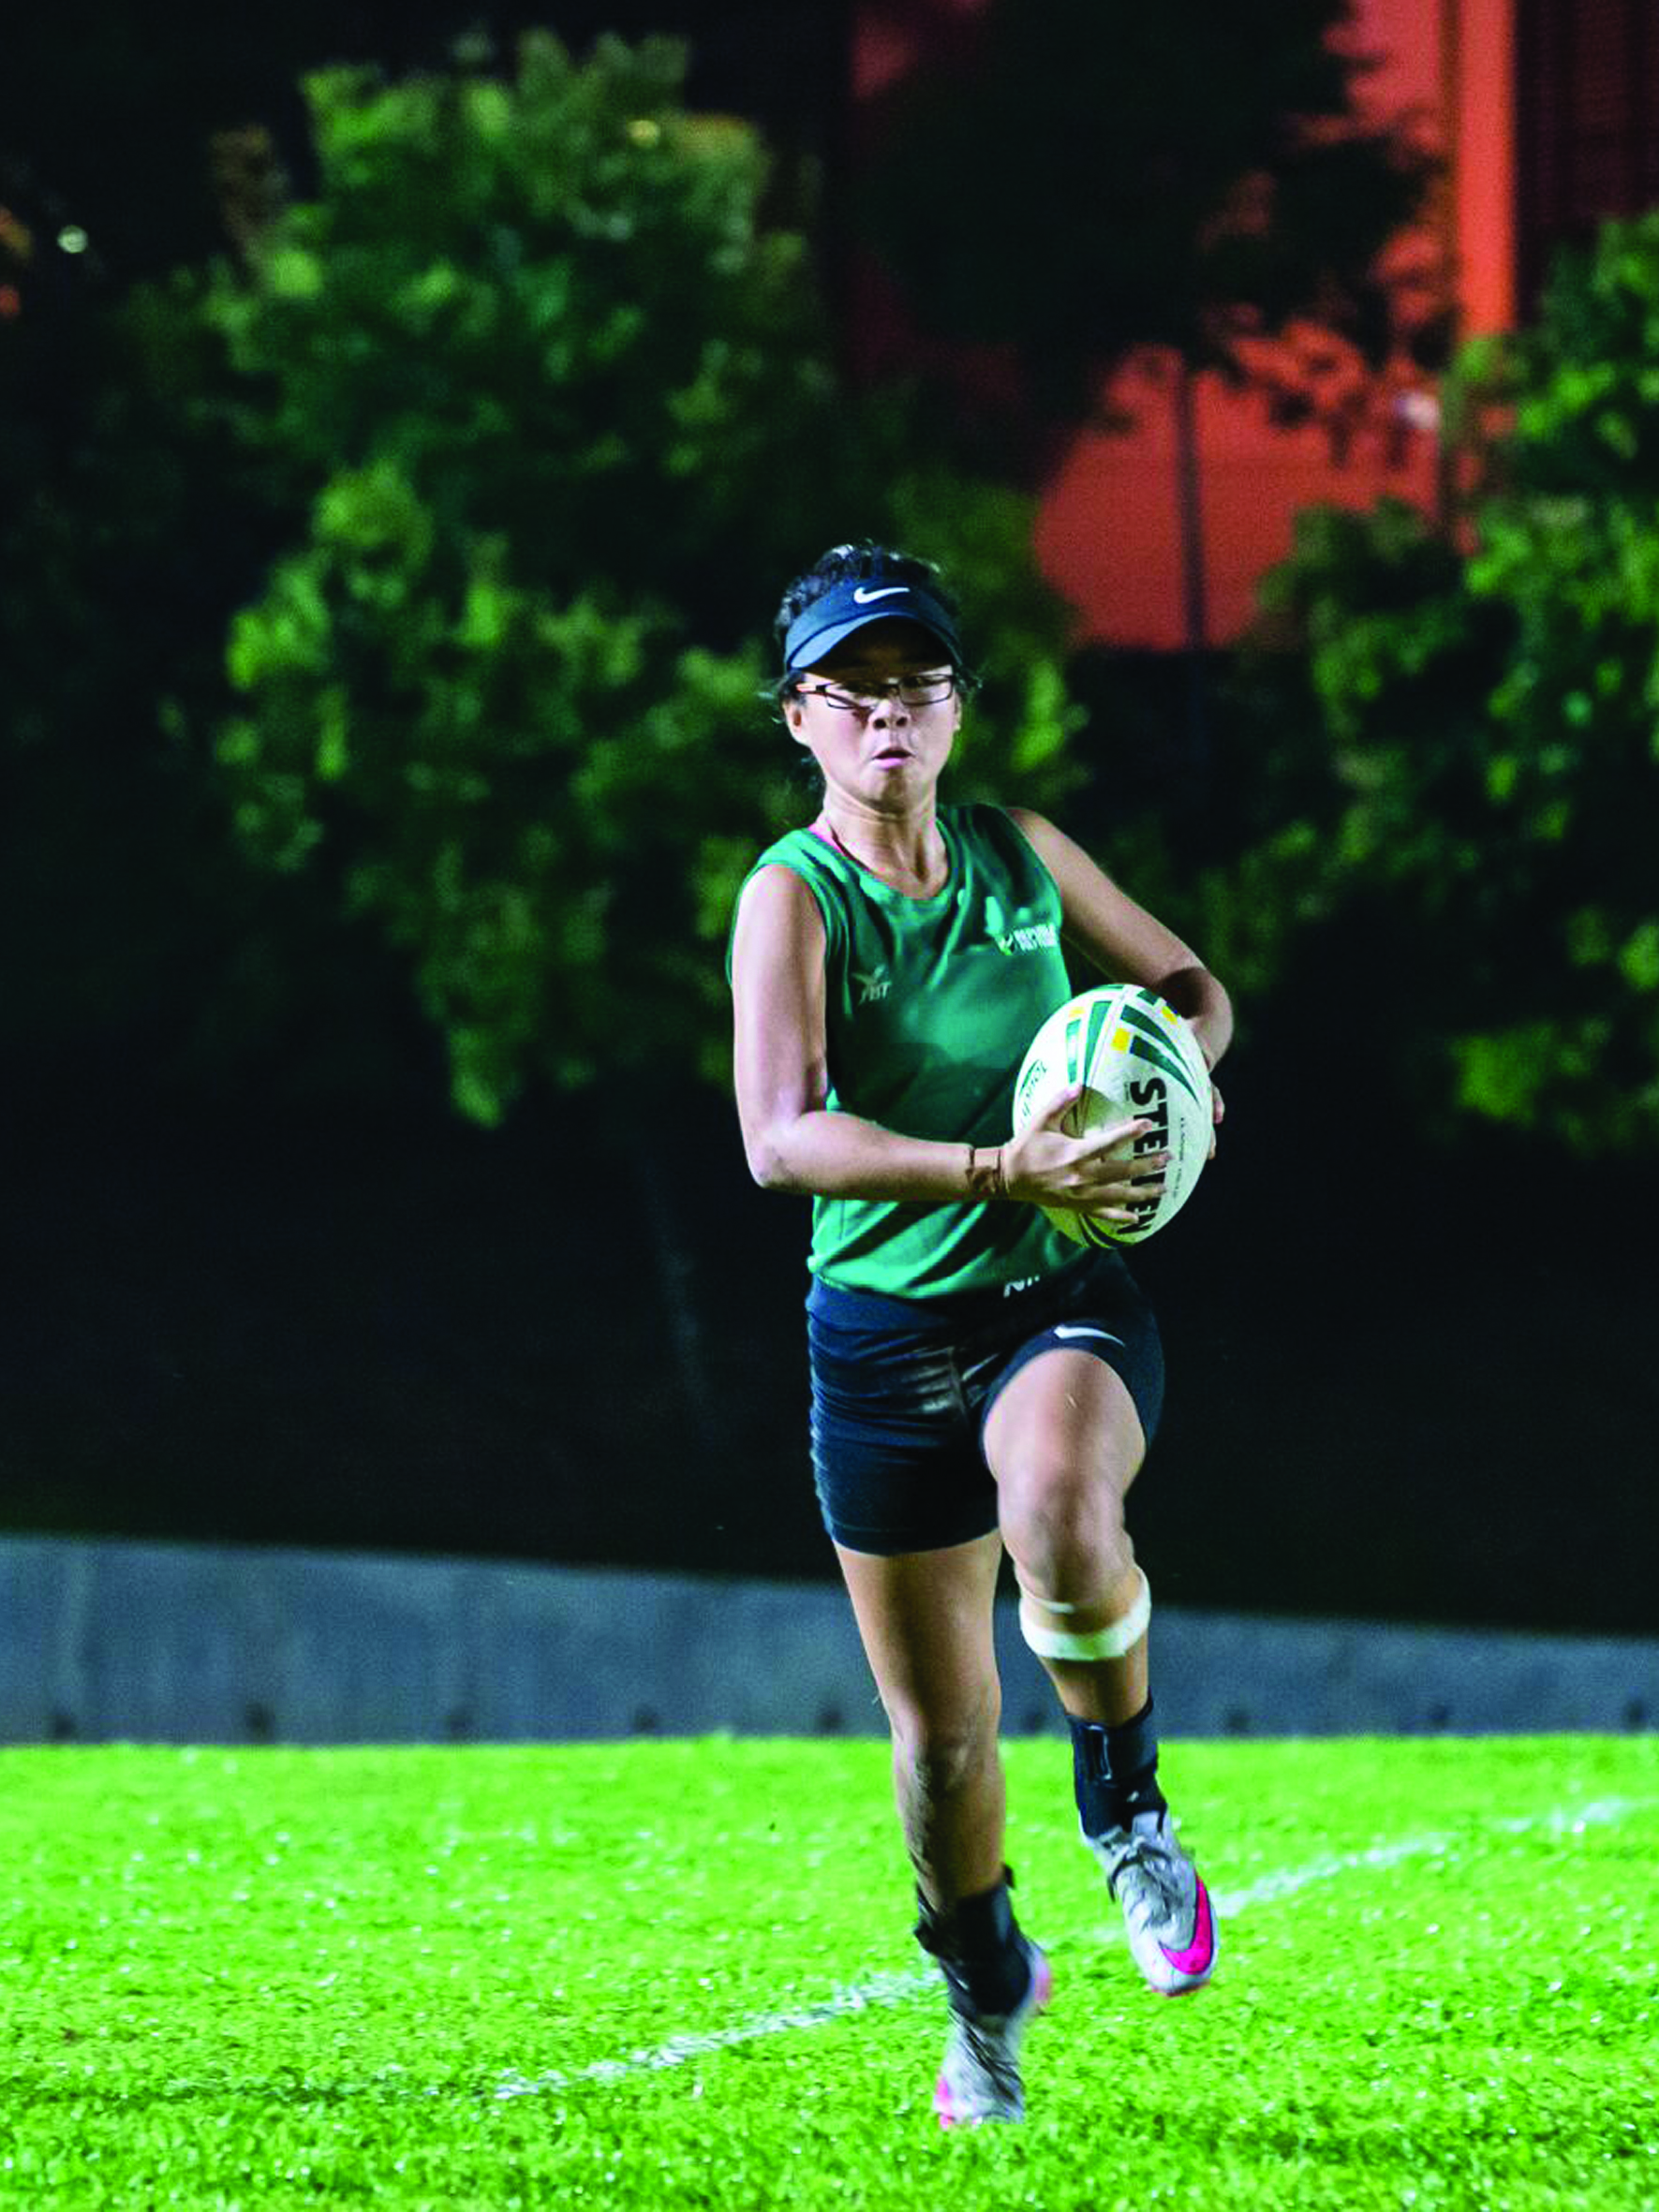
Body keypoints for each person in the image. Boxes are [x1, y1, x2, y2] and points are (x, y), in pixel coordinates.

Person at [726, 540, 1233, 2128]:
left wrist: (1172, 1078)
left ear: (956, 707)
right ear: (799, 718)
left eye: (916, 682)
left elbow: (1192, 986)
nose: (890, 715)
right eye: (852, 690)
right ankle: (987, 1990)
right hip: (877, 1338)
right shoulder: (792, 897)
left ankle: (1127, 1809)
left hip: (1049, 1295)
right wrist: (992, 1163)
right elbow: (776, 1138)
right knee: (942, 1746)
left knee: (1061, 1511)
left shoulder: (1019, 856)